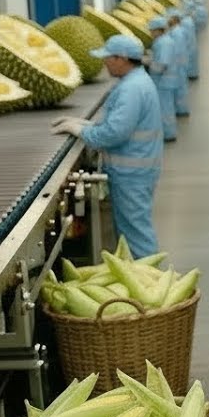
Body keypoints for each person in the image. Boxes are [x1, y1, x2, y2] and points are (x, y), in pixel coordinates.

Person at [51, 34, 164, 257]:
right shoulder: (135, 82)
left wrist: (82, 131)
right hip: (135, 171)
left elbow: (114, 133)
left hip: (131, 174)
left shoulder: (132, 89)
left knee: (136, 236)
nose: (105, 62)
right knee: (132, 231)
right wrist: (84, 123)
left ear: (121, 59)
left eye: (108, 58)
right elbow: (118, 123)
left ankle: (150, 285)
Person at [145, 17, 179, 141]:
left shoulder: (164, 43)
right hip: (164, 82)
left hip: (163, 82)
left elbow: (162, 65)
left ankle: (168, 134)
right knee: (165, 107)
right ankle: (167, 132)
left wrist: (148, 62)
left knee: (165, 109)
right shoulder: (163, 41)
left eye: (152, 31)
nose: (151, 33)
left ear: (159, 30)